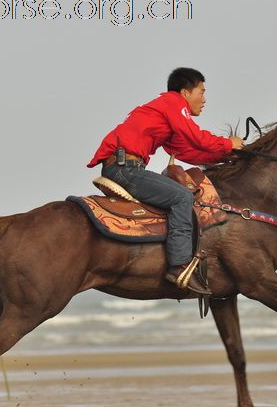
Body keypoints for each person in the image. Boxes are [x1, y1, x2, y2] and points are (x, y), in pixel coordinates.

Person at [87, 67, 244, 295]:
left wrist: (226, 155)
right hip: (125, 168)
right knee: (182, 197)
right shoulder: (173, 103)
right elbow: (196, 137)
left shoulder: (166, 112)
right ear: (185, 92)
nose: (204, 99)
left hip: (125, 166)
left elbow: (188, 151)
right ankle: (179, 265)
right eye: (201, 92)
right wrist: (228, 144)